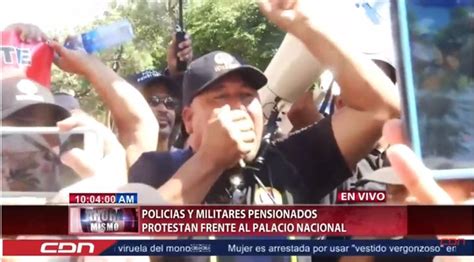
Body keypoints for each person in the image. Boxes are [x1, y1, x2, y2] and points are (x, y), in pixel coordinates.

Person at [130, 0, 400, 207]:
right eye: (221, 97)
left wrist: (302, 23)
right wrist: (209, 161)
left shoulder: (291, 162)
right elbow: (114, 240)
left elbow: (380, 109)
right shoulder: (156, 167)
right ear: (188, 120)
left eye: (247, 96)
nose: (238, 107)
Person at [128, 69, 180, 151]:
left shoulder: (188, 161)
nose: (163, 109)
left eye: (169, 102)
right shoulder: (114, 161)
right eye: (153, 101)